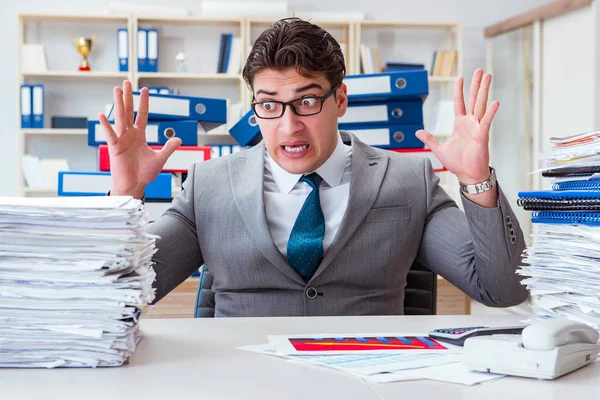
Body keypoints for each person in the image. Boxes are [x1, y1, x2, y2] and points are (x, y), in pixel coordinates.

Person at [99, 17, 528, 317]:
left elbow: (502, 289)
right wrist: (124, 197)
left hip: (368, 382)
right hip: (244, 382)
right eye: (269, 105)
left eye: (306, 101)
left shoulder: (406, 181)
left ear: (340, 100)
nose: (289, 126)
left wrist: (476, 181)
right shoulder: (209, 185)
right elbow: (116, 294)